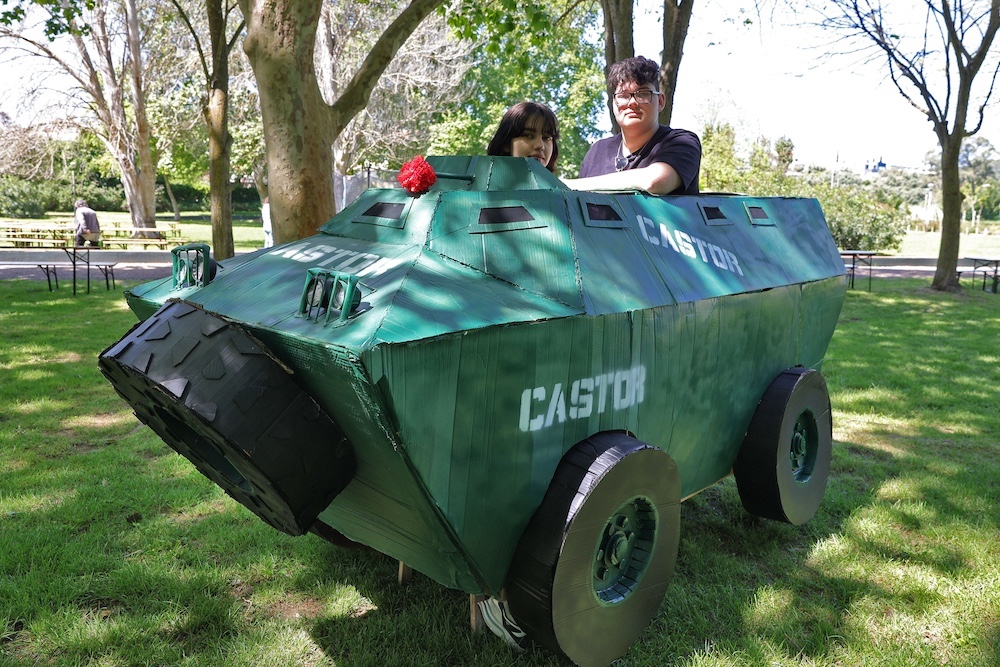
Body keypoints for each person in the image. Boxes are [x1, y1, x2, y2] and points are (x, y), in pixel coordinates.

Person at [563, 56, 701, 195]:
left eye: (643, 94)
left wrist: (570, 185)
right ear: (613, 103)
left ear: (660, 101)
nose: (632, 102)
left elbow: (654, 182)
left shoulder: (682, 142)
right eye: (623, 95)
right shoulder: (597, 152)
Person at [487, 102, 560, 173]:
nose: (540, 146)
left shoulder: (557, 185)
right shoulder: (480, 183)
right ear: (507, 143)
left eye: (546, 137)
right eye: (528, 135)